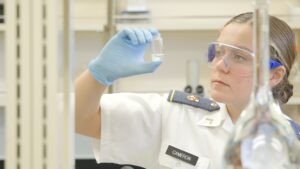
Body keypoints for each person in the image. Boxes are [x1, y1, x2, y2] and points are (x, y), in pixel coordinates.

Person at [75, 12, 300, 169]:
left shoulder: (293, 145)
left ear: (274, 75)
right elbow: (79, 119)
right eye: (218, 52)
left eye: (239, 57)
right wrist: (99, 74)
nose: (220, 65)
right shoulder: (174, 116)